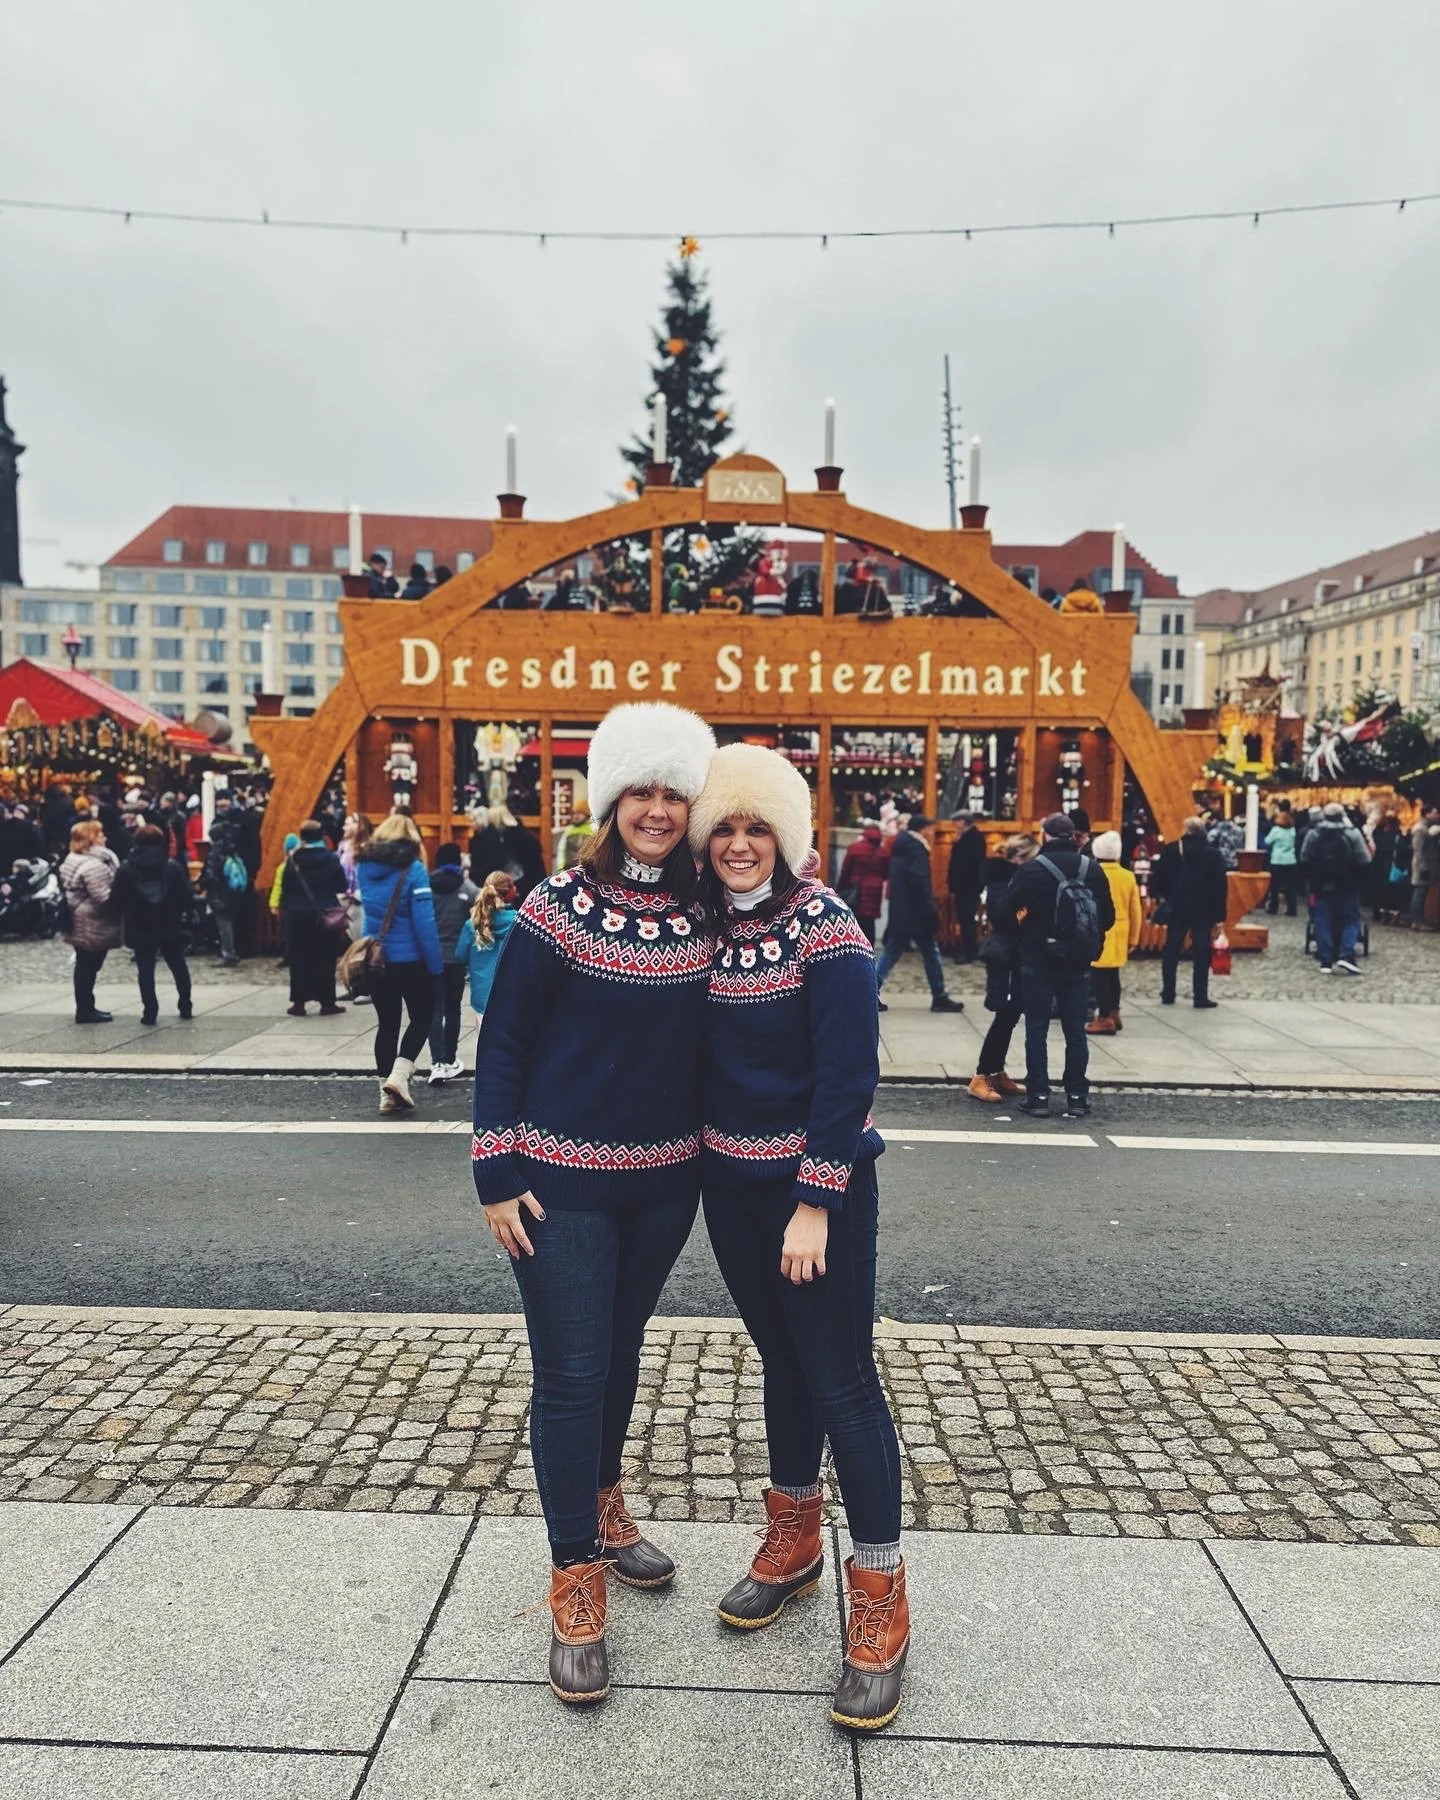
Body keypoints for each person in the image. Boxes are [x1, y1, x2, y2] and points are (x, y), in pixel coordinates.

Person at [471, 701, 716, 1706]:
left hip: (666, 1184)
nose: (656, 810)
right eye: (641, 793)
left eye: (673, 794)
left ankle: (607, 1506)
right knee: (571, 1371)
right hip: (558, 1184)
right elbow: (506, 1040)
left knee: (620, 1355)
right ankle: (576, 1577)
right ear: (610, 801)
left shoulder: (712, 909)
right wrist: (494, 1169)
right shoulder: (555, 906)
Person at [687, 744, 908, 1733]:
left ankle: (883, 1597)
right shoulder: (702, 925)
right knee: (781, 1361)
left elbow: (847, 1072)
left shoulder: (826, 925)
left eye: (756, 826)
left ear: (787, 834)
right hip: (728, 1187)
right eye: (724, 827)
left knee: (841, 1380)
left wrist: (815, 1198)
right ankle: (794, 1539)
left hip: (813, 1192)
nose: (739, 844)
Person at [988, 813, 1114, 1119]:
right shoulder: (1092, 869)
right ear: (1074, 836)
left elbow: (1003, 913)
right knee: (1075, 1030)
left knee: (1037, 1029)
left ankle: (1039, 1096)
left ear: (1045, 835)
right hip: (1079, 960)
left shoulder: (1033, 870)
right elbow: (1107, 917)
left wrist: (1028, 923)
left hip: (1038, 958)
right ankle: (1077, 1097)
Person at [355, 814, 443, 1112]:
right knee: (421, 1018)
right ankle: (399, 1076)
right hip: (411, 960)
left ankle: (385, 1094)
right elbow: (424, 923)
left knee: (387, 1024)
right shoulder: (414, 870)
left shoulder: (364, 868)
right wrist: (436, 965)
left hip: (376, 959)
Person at [967, 833, 1037, 1103]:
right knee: (1004, 1015)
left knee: (1010, 1015)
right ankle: (981, 1075)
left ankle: (995, 1071)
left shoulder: (1013, 878)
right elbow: (1001, 914)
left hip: (1015, 953)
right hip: (1005, 955)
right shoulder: (1002, 880)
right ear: (1021, 857)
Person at [874, 816, 963, 1014]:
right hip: (916, 912)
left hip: (903, 910)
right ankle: (939, 996)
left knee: (893, 952)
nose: (932, 833)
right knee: (930, 952)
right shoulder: (916, 849)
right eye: (931, 829)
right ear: (923, 830)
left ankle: (868, 992)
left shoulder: (901, 846)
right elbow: (920, 880)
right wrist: (930, 909)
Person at [109, 822, 194, 1024]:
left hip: (140, 925)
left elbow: (116, 900)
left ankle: (150, 1010)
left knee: (145, 969)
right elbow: (187, 897)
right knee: (178, 965)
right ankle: (185, 1004)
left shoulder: (127, 869)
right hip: (170, 923)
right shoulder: (172, 867)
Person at [1150, 818, 1229, 1006]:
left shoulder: (1171, 850)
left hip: (1177, 908)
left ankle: (1168, 993)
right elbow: (1219, 888)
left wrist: (1165, 896)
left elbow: (1158, 880)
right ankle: (1200, 995)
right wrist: (1219, 916)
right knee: (1202, 952)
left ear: (1185, 830)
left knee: (1171, 949)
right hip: (1204, 910)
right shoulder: (1213, 855)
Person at [281, 820, 349, 1017]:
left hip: (297, 914)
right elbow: (341, 886)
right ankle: (327, 1002)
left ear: (302, 837)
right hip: (325, 913)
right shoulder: (330, 859)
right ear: (322, 835)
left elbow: (286, 886)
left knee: (299, 957)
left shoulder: (293, 859)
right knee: (325, 958)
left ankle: (299, 1002)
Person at [59, 819, 122, 1023]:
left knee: (84, 962)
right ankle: (85, 1008)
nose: (104, 838)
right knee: (89, 964)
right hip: (91, 920)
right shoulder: (94, 865)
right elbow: (103, 897)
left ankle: (85, 1006)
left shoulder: (73, 858)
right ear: (91, 839)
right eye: (100, 834)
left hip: (78, 917)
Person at [426, 842, 478, 1082]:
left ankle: (436, 1062)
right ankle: (449, 1058)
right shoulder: (466, 888)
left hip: (432, 956)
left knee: (434, 1010)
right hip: (456, 957)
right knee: (453, 1009)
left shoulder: (427, 886)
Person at [1301, 801, 1371, 975]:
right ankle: (1346, 954)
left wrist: (1311, 880)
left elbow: (1304, 858)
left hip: (1321, 885)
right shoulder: (1353, 834)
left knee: (1322, 921)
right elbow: (1364, 859)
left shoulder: (1314, 834)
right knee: (1351, 920)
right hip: (1347, 885)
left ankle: (1325, 959)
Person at [1086, 831, 1143, 1035]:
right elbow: (1135, 908)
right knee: (1113, 975)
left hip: (1100, 928)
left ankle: (1104, 1017)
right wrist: (1134, 937)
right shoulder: (1127, 876)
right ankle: (1115, 1011)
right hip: (1121, 929)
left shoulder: (1092, 873)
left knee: (1099, 976)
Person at [456, 870, 519, 1027]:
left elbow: (459, 955)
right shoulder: (520, 923)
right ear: (510, 891)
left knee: (482, 1045)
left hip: (482, 996)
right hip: (512, 995)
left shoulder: (472, 924)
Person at [467, 804, 546, 898]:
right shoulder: (520, 835)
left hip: (524, 886)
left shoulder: (510, 840)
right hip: (532, 885)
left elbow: (512, 866)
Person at [197, 819, 245, 966]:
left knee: (223, 923)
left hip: (219, 892)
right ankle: (232, 951)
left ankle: (228, 953)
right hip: (232, 890)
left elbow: (211, 875)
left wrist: (201, 884)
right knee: (229, 922)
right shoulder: (232, 849)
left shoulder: (215, 852)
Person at [835, 819, 890, 945]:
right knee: (870, 923)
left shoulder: (855, 848)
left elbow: (845, 871)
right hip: (875, 891)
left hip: (856, 890)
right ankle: (869, 949)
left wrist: (839, 889)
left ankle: (854, 946)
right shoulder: (883, 852)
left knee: (854, 920)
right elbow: (886, 873)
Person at [946, 813, 986, 961]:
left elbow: (967, 863)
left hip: (968, 885)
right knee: (965, 918)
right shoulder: (970, 837)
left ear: (963, 822)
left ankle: (969, 950)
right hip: (966, 885)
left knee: (967, 918)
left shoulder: (972, 838)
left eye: (956, 822)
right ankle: (968, 948)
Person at [1411, 803, 1440, 931]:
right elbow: (1418, 850)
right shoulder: (1420, 829)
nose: (1437, 815)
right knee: (1420, 893)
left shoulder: (1426, 828)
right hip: (1422, 866)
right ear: (1426, 814)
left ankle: (1420, 919)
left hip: (1427, 866)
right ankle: (1417, 920)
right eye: (1435, 813)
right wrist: (1423, 867)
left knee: (1423, 893)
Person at [1264, 808, 1299, 917]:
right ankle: (1292, 909)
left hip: (1277, 860)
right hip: (1290, 860)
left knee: (1275, 886)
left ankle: (1273, 907)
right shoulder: (1292, 830)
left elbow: (1267, 841)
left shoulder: (1276, 830)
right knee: (1290, 887)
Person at [554, 803, 595, 871]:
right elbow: (561, 850)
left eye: (579, 813)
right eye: (574, 813)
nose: (576, 816)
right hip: (568, 870)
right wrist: (560, 869)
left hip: (586, 870)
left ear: (587, 814)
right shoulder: (569, 830)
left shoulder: (593, 829)